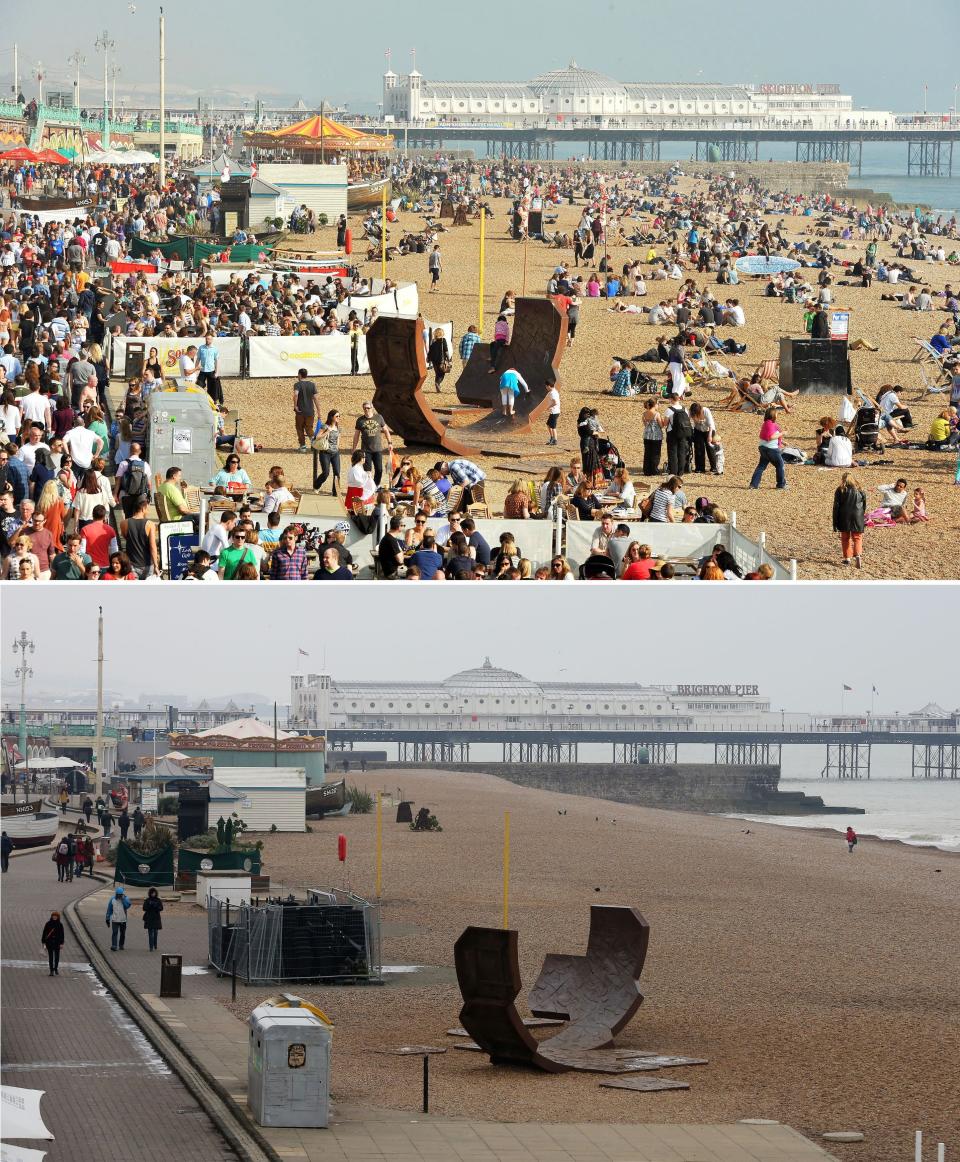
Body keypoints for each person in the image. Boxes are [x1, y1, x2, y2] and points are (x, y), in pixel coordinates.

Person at [832, 471, 867, 568]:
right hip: (857, 516)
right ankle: (858, 555)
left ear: (843, 479)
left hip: (844, 516)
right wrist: (861, 515)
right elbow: (864, 505)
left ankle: (847, 558)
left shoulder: (840, 490)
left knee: (845, 538)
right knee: (857, 537)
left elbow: (836, 507)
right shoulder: (860, 489)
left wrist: (835, 522)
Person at [352, 402, 392, 486]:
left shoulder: (379, 417)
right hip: (366, 450)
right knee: (367, 471)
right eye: (365, 408)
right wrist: (354, 448)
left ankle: (375, 486)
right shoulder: (360, 420)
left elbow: (386, 430)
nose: (366, 410)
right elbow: (356, 435)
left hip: (377, 449)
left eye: (368, 408)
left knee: (379, 470)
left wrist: (390, 443)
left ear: (372, 408)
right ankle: (368, 487)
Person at [749, 408, 788, 490]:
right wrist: (782, 433)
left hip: (763, 448)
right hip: (771, 449)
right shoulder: (771, 424)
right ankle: (781, 485)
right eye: (776, 413)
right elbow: (771, 437)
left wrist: (782, 442)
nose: (777, 415)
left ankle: (753, 484)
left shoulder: (766, 424)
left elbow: (768, 436)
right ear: (773, 415)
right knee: (780, 465)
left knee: (761, 466)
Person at [313, 409, 341, 494]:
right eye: (337, 416)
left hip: (335, 453)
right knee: (326, 473)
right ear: (331, 417)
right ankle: (316, 485)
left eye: (339, 416)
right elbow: (317, 437)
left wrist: (337, 448)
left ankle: (335, 492)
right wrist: (327, 431)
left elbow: (338, 439)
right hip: (325, 452)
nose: (338, 418)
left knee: (337, 473)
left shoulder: (338, 427)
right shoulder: (325, 426)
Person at [293, 367, 317, 452]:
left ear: (300, 375)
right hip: (310, 411)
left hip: (300, 411)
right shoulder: (312, 385)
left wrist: (295, 405)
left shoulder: (297, 384)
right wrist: (319, 410)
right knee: (309, 428)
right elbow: (315, 398)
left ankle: (303, 446)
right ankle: (314, 444)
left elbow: (296, 394)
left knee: (299, 428)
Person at [196, 332, 222, 404]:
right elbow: (198, 359)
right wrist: (196, 370)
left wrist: (217, 372)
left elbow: (217, 361)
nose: (208, 340)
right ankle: (199, 400)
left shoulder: (215, 349)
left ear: (212, 340)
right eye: (206, 339)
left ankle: (213, 401)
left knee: (213, 387)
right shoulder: (201, 348)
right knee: (199, 385)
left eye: (209, 339)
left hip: (211, 370)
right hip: (203, 370)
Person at [106, 885, 131, 951]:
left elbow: (127, 906)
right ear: (116, 894)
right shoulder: (112, 899)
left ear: (122, 894)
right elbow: (109, 909)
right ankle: (114, 945)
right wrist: (107, 918)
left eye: (120, 895)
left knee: (122, 933)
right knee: (115, 932)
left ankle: (121, 945)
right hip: (115, 919)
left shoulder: (126, 899)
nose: (119, 896)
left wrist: (123, 900)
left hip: (123, 920)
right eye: (118, 895)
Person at [427, 328, 451, 392]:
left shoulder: (433, 341)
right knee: (442, 373)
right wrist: (448, 358)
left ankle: (437, 385)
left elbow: (430, 351)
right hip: (441, 359)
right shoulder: (443, 340)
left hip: (434, 360)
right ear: (442, 333)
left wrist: (428, 358)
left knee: (437, 373)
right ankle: (438, 383)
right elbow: (446, 350)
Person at [41, 911, 65, 975]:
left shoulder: (60, 924)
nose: (54, 917)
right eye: (53, 916)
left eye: (56, 916)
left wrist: (62, 943)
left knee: (57, 957)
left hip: (57, 943)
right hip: (49, 943)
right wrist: (43, 942)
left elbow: (62, 934)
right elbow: (44, 933)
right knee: (51, 957)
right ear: (51, 916)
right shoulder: (48, 924)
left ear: (58, 917)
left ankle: (56, 968)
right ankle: (51, 970)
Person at [142, 887, 164, 952]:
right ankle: (151, 947)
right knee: (150, 933)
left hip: (156, 918)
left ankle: (155, 944)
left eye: (154, 893)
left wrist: (156, 906)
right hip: (149, 918)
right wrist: (149, 905)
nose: (153, 894)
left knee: (155, 933)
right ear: (150, 893)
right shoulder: (147, 900)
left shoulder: (158, 900)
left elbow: (161, 908)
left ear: (156, 893)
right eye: (152, 893)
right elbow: (144, 908)